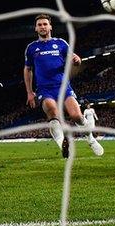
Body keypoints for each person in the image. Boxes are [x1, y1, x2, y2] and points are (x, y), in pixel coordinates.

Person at [23, 14, 103, 158]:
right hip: (44, 89)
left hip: (64, 87)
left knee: (77, 116)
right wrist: (29, 92)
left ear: (50, 26)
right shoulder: (31, 48)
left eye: (45, 24)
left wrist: (77, 60)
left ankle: (91, 139)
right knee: (53, 112)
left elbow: (74, 59)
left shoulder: (60, 43)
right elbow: (27, 70)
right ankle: (63, 145)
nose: (42, 27)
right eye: (39, 25)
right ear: (36, 28)